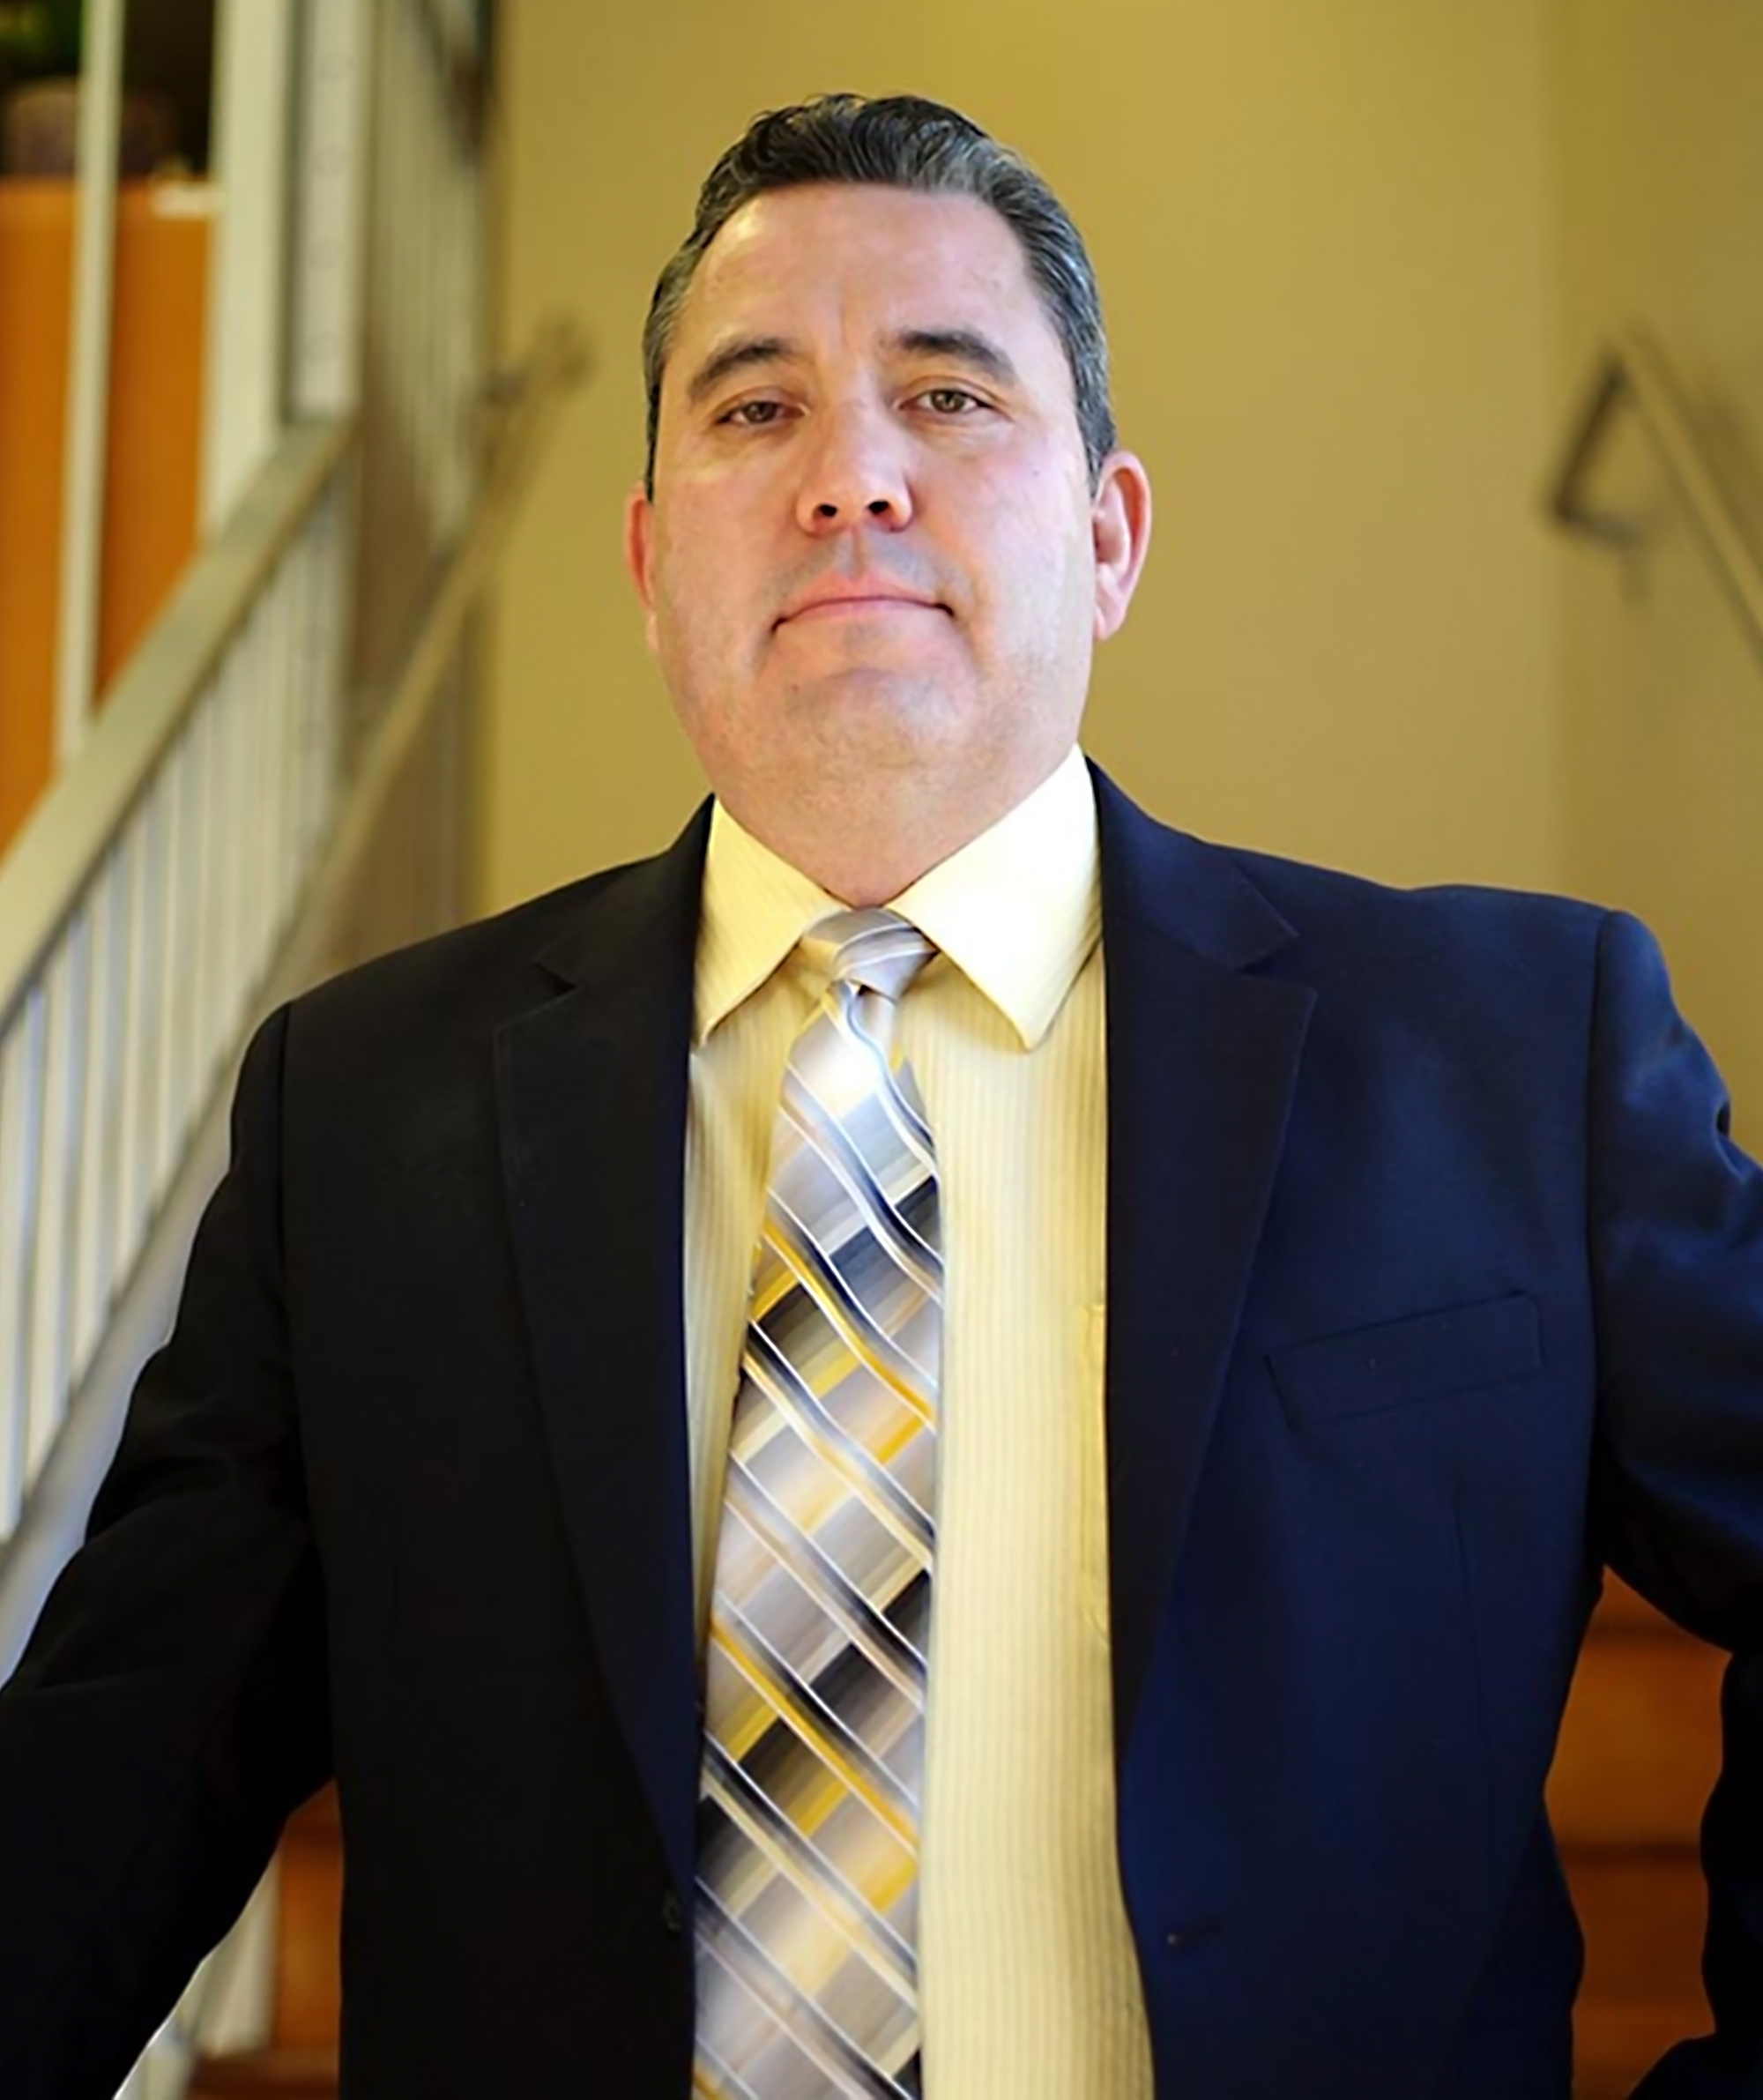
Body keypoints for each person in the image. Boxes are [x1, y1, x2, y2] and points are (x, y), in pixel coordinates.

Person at [1, 89, 1760, 2100]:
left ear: (1105, 537)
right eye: (755, 411)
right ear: (653, 563)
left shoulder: (1509, 1053)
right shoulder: (361, 1116)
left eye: (947, 399)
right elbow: (107, 1785)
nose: (851, 477)